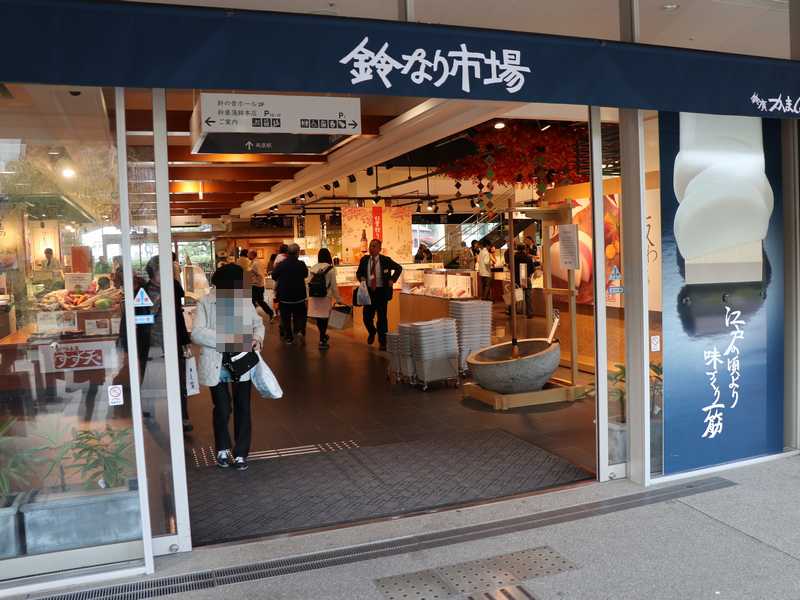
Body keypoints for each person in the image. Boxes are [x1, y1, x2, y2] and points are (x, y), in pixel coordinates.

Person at [191, 263, 264, 470]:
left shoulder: (243, 301)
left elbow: (258, 324)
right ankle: (222, 448)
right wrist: (230, 338)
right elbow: (197, 333)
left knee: (243, 407)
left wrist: (257, 338)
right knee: (222, 408)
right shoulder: (206, 302)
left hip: (242, 361)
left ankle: (241, 453)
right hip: (217, 363)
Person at [135, 255, 193, 430]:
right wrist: (155, 309)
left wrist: (184, 340)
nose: (165, 274)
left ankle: (182, 417)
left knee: (179, 380)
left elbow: (178, 312)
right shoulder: (143, 291)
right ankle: (149, 414)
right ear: (152, 273)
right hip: (152, 343)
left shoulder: (173, 286)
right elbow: (139, 320)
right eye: (161, 272)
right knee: (151, 380)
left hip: (174, 341)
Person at [357, 239, 402, 351]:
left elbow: (398, 268)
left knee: (382, 319)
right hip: (369, 292)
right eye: (370, 246)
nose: (371, 248)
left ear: (379, 249)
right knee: (367, 318)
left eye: (374, 246)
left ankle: (383, 342)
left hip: (382, 292)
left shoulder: (386, 260)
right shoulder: (364, 260)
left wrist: (392, 279)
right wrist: (361, 277)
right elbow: (359, 272)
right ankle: (372, 332)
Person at [271, 243, 308, 344]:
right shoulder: (301, 264)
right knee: (299, 315)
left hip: (284, 297)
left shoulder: (281, 264)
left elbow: (274, 276)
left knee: (286, 318)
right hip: (299, 296)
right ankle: (298, 331)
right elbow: (306, 274)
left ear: (288, 252)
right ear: (297, 253)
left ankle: (289, 337)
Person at [307, 248, 342, 349]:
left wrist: (308, 296)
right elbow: (334, 286)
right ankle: (322, 338)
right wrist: (338, 299)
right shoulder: (331, 269)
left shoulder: (313, 268)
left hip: (314, 297)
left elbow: (308, 283)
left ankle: (322, 336)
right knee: (324, 318)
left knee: (318, 317)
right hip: (326, 296)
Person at [248, 249, 274, 320]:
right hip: (256, 285)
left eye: (248, 254)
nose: (247, 255)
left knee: (257, 301)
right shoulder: (254, 262)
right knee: (256, 301)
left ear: (252, 255)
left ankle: (270, 312)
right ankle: (269, 312)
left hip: (257, 286)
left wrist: (256, 282)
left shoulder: (256, 263)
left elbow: (260, 275)